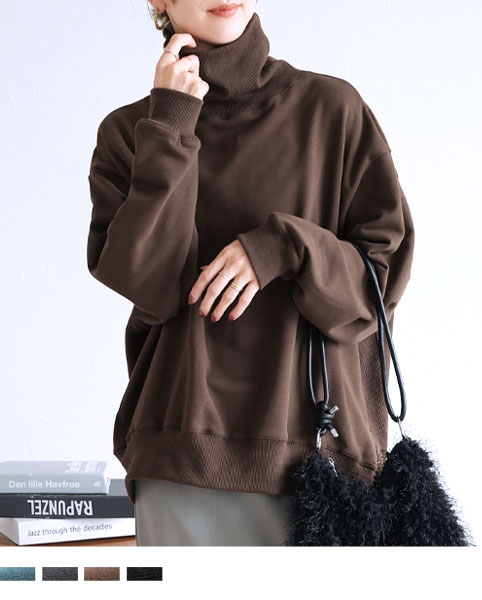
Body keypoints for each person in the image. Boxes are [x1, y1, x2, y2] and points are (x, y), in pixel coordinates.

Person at [86, 0, 415, 546]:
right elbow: (150, 284)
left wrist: (284, 247)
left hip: (321, 464)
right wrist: (171, 125)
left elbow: (380, 284)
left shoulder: (331, 111)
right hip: (183, 461)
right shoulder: (132, 134)